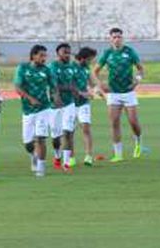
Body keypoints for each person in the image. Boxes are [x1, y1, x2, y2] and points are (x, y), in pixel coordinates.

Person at [93, 28, 145, 163]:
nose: (117, 39)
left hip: (128, 92)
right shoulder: (107, 53)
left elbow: (140, 69)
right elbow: (95, 72)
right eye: (114, 37)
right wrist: (100, 85)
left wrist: (137, 81)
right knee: (114, 122)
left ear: (123, 38)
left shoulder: (129, 52)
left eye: (119, 37)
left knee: (133, 122)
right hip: (113, 93)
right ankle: (118, 154)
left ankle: (138, 142)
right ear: (110, 39)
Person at [15, 45, 60, 178]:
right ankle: (33, 155)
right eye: (41, 55)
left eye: (45, 56)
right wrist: (30, 98)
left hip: (43, 108)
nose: (44, 58)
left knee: (41, 138)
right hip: (28, 110)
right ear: (33, 55)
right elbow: (17, 87)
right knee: (28, 144)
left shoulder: (47, 70)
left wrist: (56, 97)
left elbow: (54, 87)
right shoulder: (22, 68)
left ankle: (41, 167)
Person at [49, 43, 79, 171]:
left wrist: (75, 91)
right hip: (55, 106)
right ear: (58, 54)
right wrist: (68, 89)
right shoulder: (53, 67)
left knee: (68, 132)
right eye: (64, 52)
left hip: (69, 104)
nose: (67, 55)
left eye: (69, 52)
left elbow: (73, 82)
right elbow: (53, 86)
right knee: (56, 137)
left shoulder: (72, 67)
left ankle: (66, 164)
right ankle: (57, 155)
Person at [73, 47, 99, 167]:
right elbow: (68, 85)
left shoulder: (86, 68)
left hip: (84, 103)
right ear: (83, 58)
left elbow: (93, 82)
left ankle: (88, 156)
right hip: (70, 104)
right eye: (90, 59)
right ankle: (70, 157)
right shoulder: (71, 67)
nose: (91, 62)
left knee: (86, 128)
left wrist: (96, 91)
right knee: (69, 132)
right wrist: (81, 92)